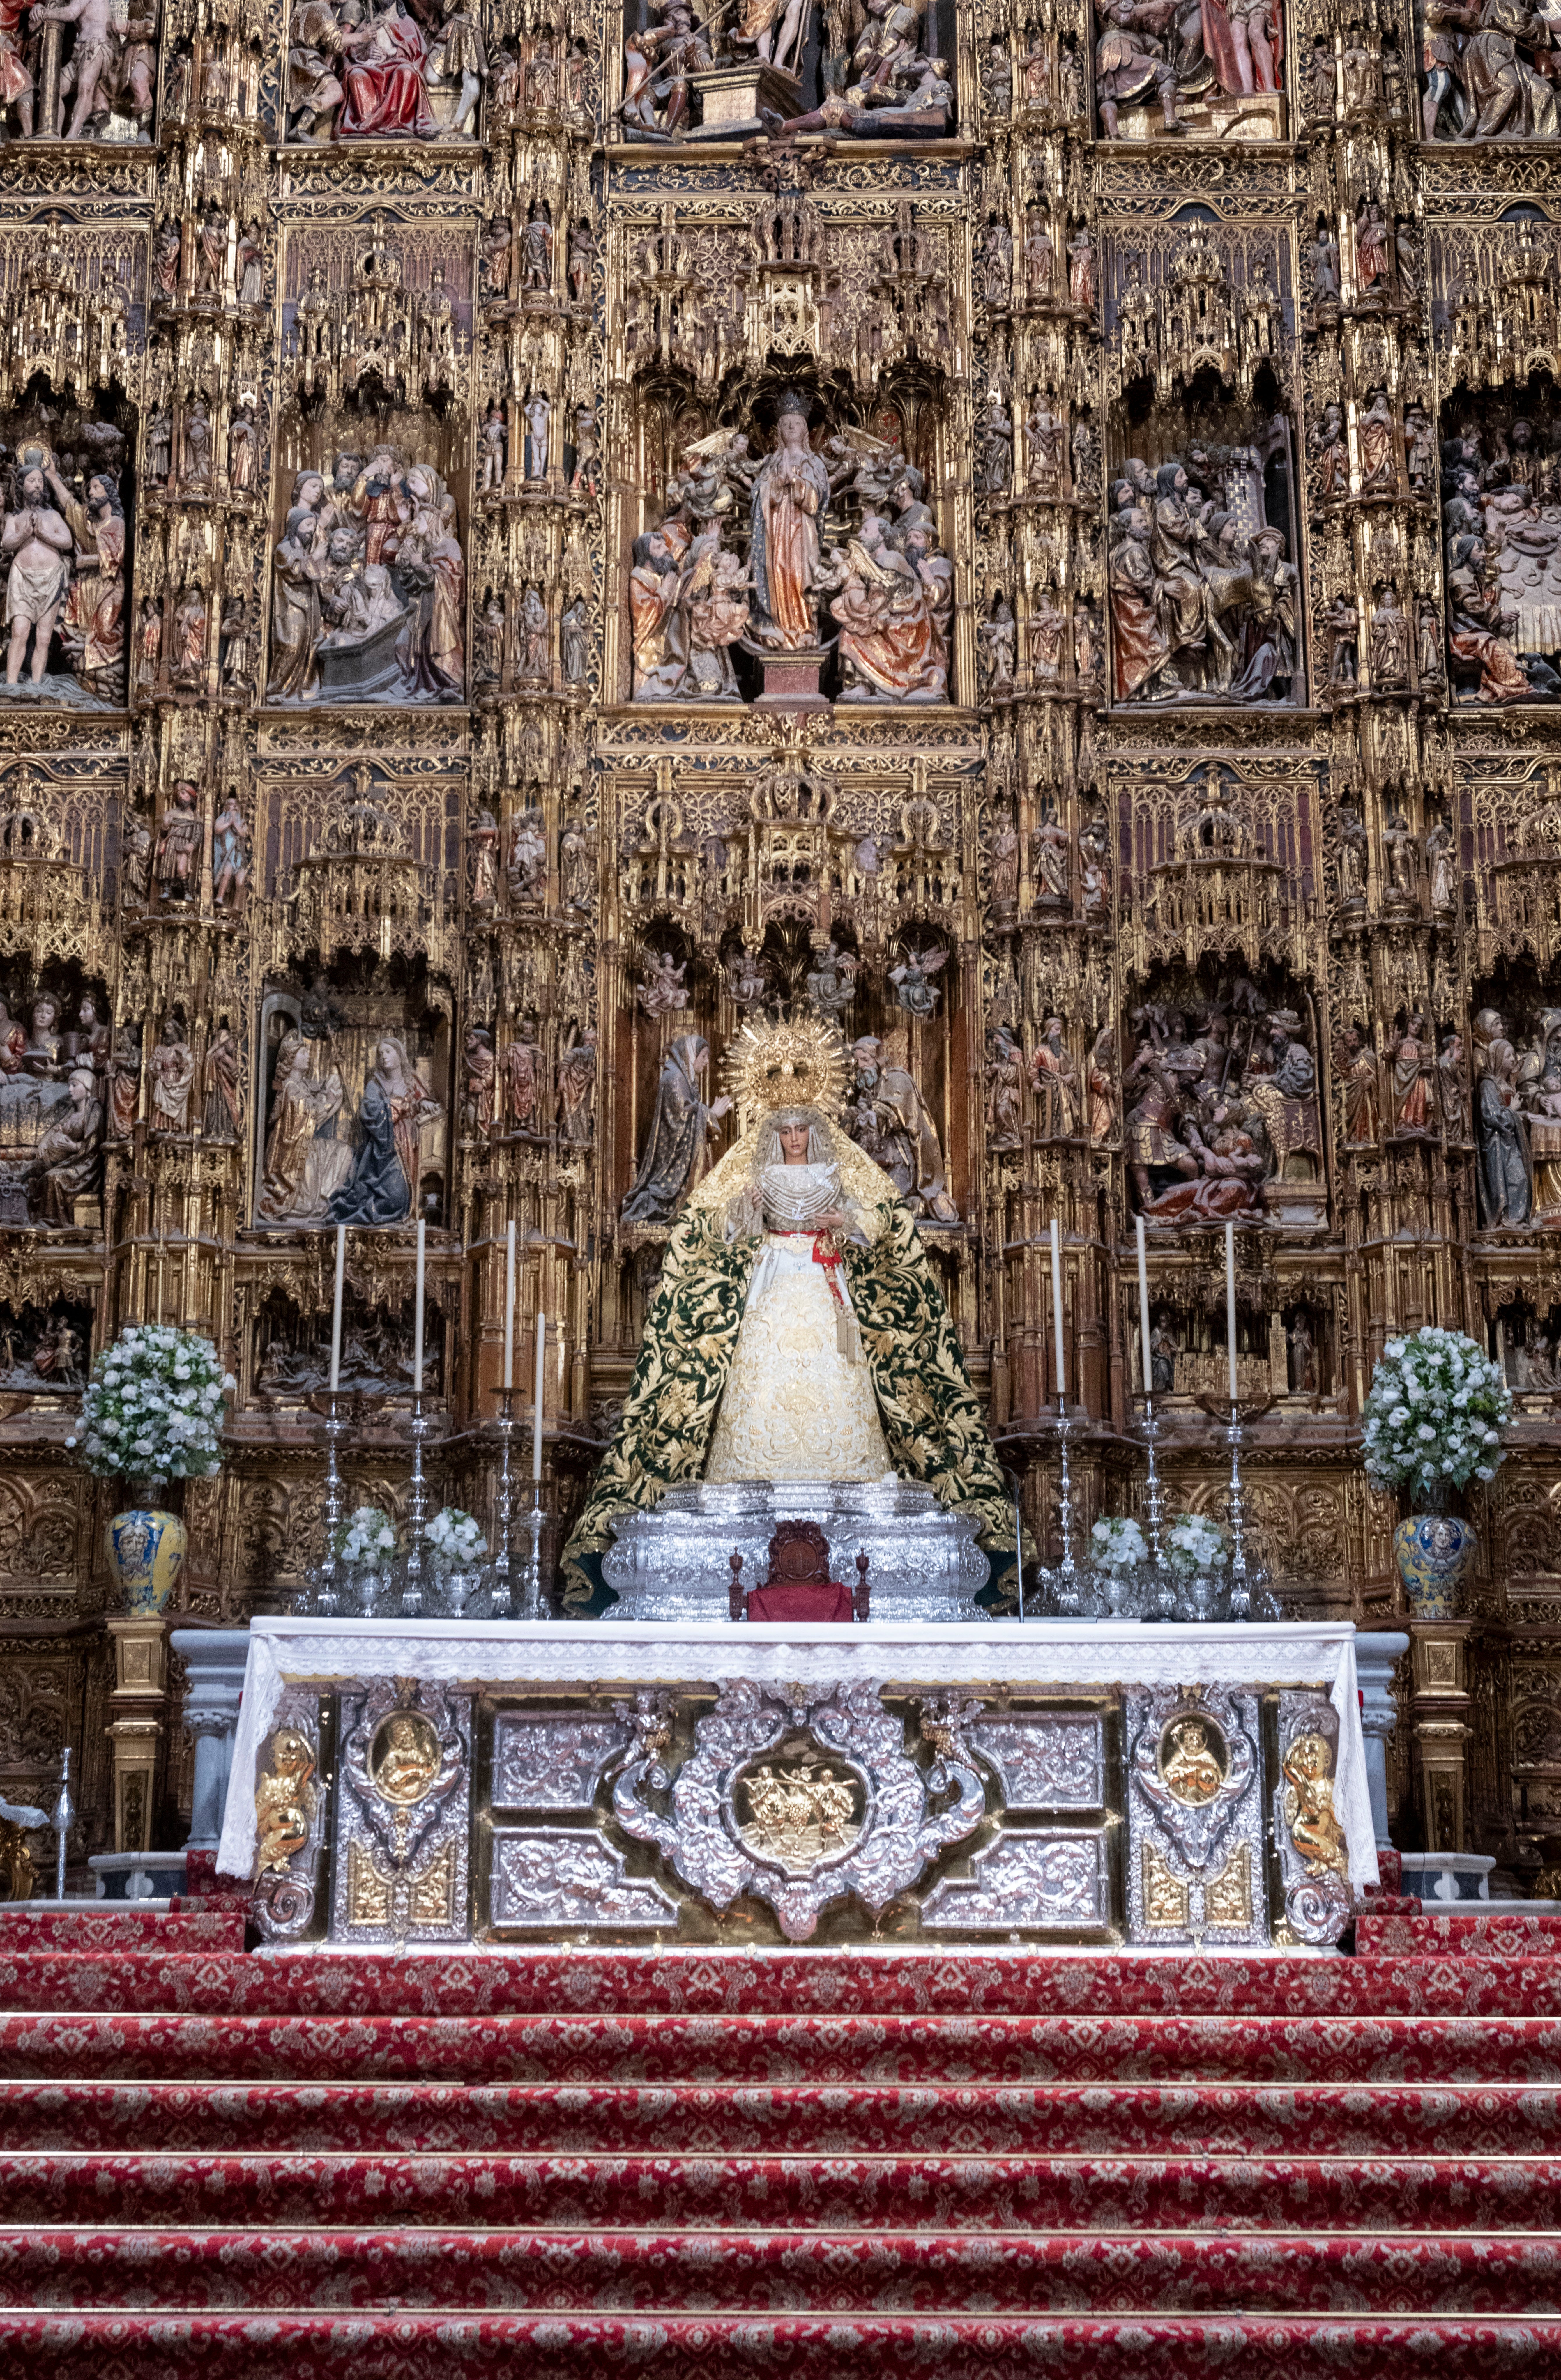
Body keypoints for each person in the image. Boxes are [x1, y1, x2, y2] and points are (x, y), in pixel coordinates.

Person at [561, 1018, 1023, 1611]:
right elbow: (708, 1227)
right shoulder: (749, 1167)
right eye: (787, 1131)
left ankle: (850, 1486)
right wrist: (746, 1210)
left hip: (825, 1279)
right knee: (764, 1373)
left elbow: (885, 1216)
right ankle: (748, 1484)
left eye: (803, 1129)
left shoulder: (841, 1164)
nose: (796, 1139)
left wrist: (846, 1222)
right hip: (774, 1277)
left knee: (836, 1373)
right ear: (774, 1132)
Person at [620, 1033, 731, 1227]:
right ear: (691, 1054)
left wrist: (708, 1116)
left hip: (678, 1155)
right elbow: (682, 1117)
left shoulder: (684, 1080)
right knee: (663, 1198)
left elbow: (690, 1117)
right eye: (704, 1056)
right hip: (671, 1163)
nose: (707, 1062)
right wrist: (712, 1113)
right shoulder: (674, 1079)